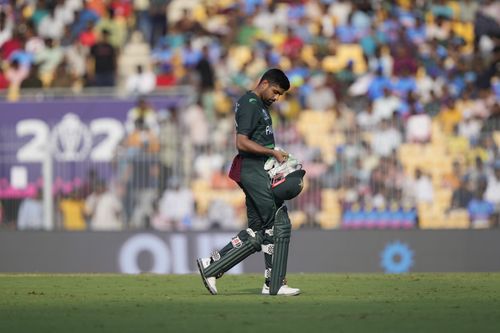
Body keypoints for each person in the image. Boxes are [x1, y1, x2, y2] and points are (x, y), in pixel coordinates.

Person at [197, 68, 303, 296]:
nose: (276, 97)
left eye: (280, 95)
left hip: (257, 169)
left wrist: (273, 154)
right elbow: (242, 143)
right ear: (264, 83)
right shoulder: (249, 103)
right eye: (275, 91)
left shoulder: (260, 106)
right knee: (277, 222)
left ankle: (212, 265)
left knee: (257, 231)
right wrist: (272, 153)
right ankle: (274, 284)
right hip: (253, 170)